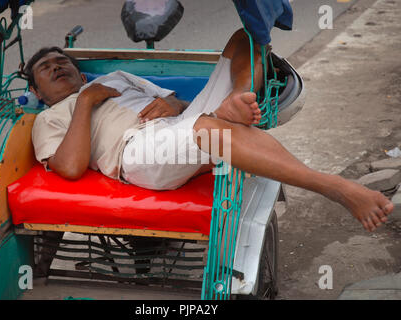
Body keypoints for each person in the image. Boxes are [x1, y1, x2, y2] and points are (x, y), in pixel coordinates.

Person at [24, 29, 393, 233]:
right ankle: (334, 187)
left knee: (247, 38)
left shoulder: (115, 78)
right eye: (46, 68)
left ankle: (235, 99)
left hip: (178, 124)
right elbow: (70, 168)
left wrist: (176, 105)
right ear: (37, 92)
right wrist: (87, 100)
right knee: (209, 130)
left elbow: (176, 105)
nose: (57, 66)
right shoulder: (50, 118)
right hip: (138, 154)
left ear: (79, 70)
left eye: (62, 61)